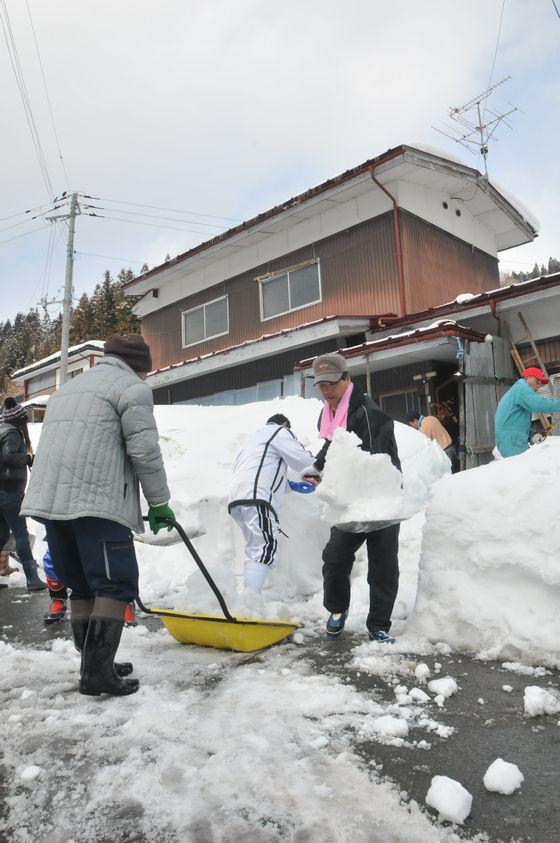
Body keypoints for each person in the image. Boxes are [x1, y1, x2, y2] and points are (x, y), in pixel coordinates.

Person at [22, 334, 174, 697]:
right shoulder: (131, 388)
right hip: (97, 503)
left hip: (52, 505)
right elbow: (145, 451)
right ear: (140, 366)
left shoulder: (69, 390)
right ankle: (97, 675)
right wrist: (158, 502)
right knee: (114, 583)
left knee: (83, 585)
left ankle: (93, 663)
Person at [301, 353, 401, 644]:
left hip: (380, 496)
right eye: (320, 385)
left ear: (347, 379)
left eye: (331, 383)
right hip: (351, 497)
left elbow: (367, 459)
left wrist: (331, 477)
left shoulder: (367, 412)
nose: (326, 389)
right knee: (334, 557)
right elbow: (335, 443)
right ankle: (337, 609)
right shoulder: (330, 410)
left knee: (382, 564)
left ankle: (379, 624)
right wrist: (318, 465)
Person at [228, 414, 317, 593]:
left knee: (255, 547)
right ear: (284, 424)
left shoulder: (253, 441)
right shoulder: (279, 431)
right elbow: (302, 459)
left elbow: (260, 470)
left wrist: (289, 486)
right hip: (257, 497)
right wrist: (321, 468)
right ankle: (251, 599)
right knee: (265, 545)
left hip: (238, 499)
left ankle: (250, 598)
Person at [0, 398, 47, 591]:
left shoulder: (2, 430)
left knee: (1, 536)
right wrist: (28, 458)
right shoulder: (12, 433)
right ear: (19, 419)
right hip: (8, 492)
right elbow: (9, 455)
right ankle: (32, 579)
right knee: (20, 534)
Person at [495, 367, 560, 458]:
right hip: (511, 439)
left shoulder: (518, 391)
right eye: (537, 381)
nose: (538, 386)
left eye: (540, 384)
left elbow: (514, 422)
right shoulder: (521, 386)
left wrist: (532, 436)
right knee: (522, 468)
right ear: (527, 377)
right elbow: (538, 404)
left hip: (512, 438)